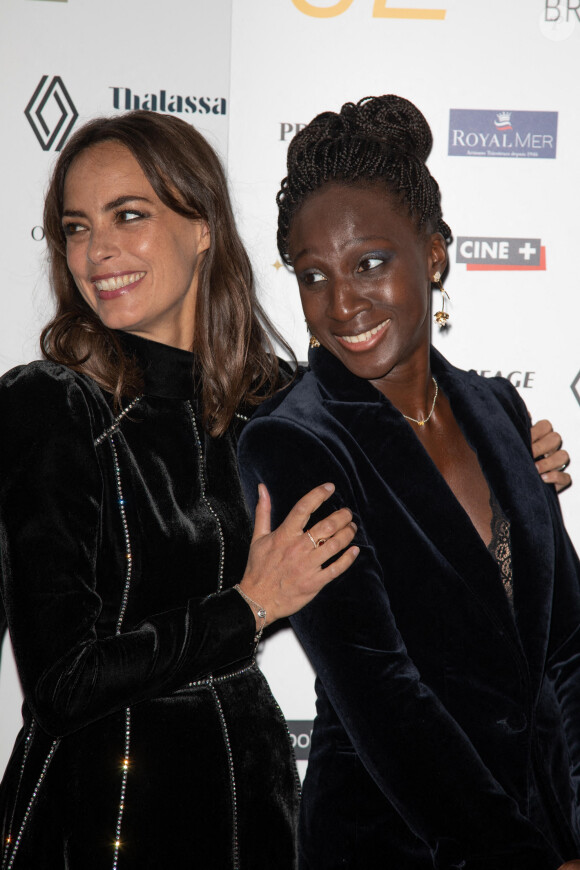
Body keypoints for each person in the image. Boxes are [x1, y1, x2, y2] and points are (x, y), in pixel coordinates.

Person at [0, 111, 360, 869]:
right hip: (104, 818)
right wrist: (250, 605)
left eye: (128, 215)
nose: (96, 252)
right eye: (75, 227)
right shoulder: (53, 406)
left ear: (202, 224)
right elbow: (63, 681)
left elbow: (392, 509)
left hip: (255, 809)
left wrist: (496, 455)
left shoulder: (278, 403)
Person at [237, 95, 580, 869]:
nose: (340, 303)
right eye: (312, 275)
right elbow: (383, 699)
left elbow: (567, 646)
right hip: (395, 842)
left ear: (432, 254)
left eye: (369, 263)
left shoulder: (497, 409)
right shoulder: (293, 445)